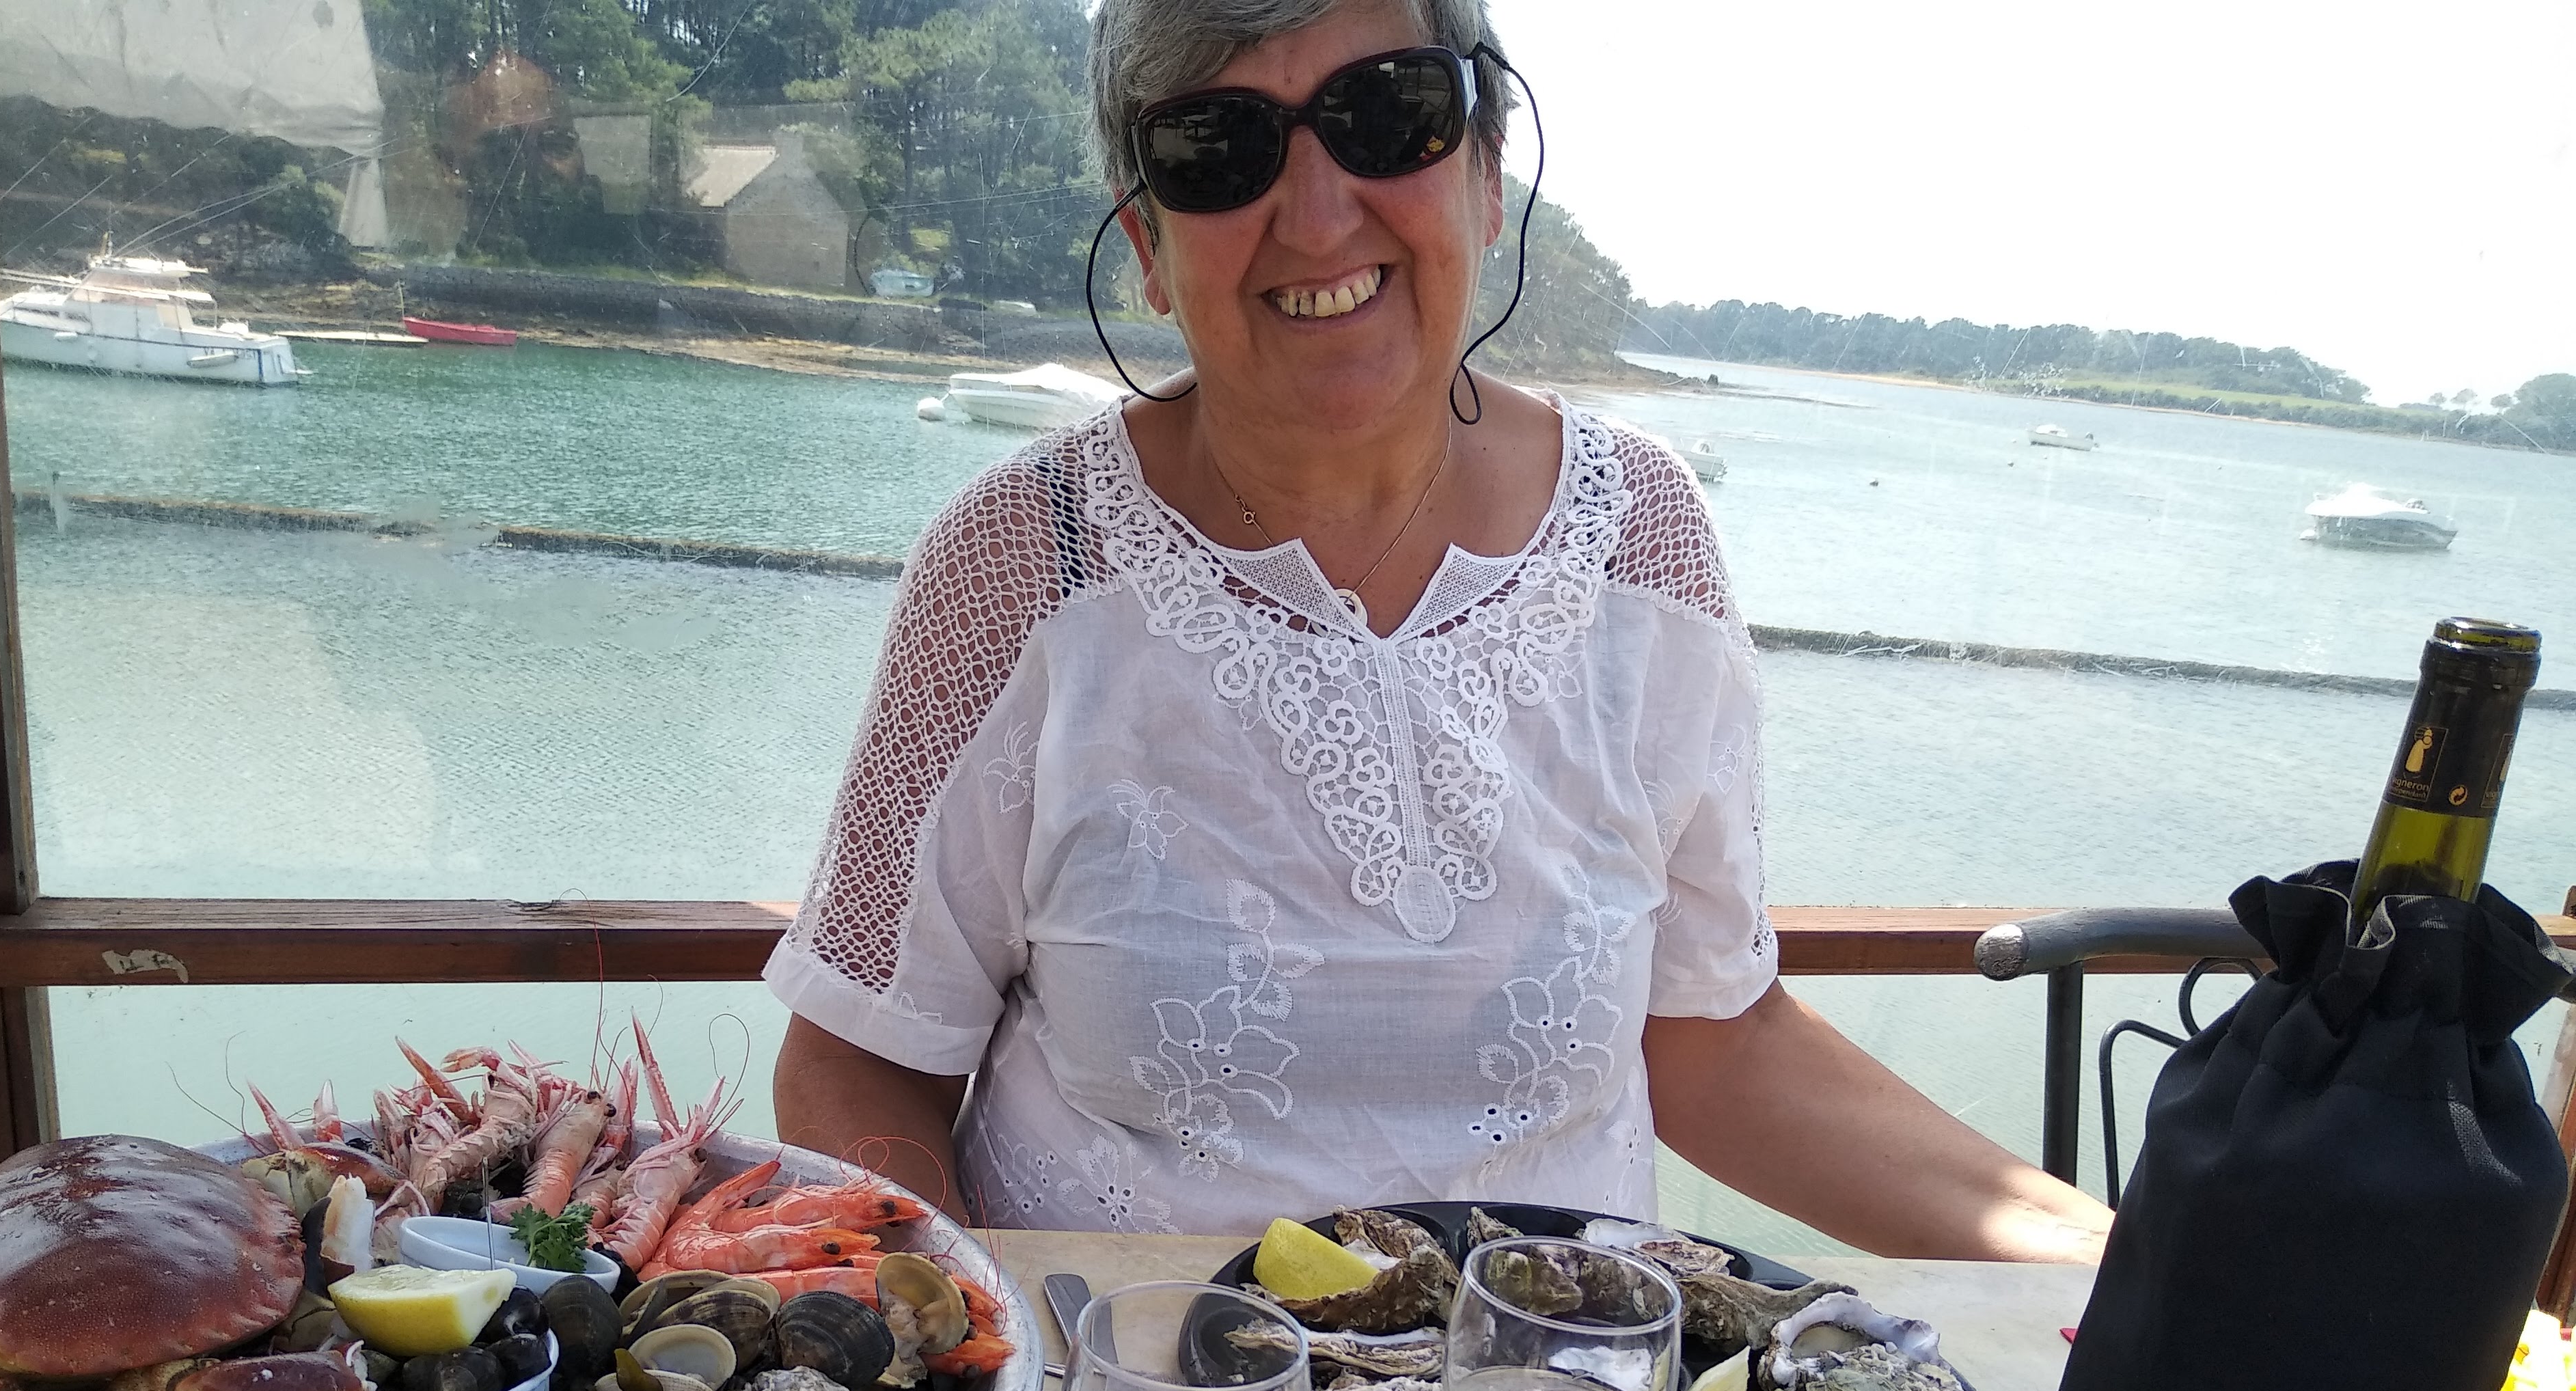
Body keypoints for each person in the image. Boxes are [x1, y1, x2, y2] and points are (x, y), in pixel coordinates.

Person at [767, 0, 2111, 1263]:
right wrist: (982, 1344)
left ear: (1486, 172)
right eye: (1216, 148)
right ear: (1148, 249)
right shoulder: (1025, 561)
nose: (1315, 215)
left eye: (1388, 114)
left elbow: (1716, 1037)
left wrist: (2108, 1256)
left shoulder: (1638, 537)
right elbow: (858, 1055)